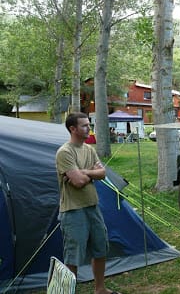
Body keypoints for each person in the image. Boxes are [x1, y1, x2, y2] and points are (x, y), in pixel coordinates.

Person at [56, 112, 121, 294]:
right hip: (73, 211)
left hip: (92, 207)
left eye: (88, 124)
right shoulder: (64, 152)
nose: (88, 128)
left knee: (100, 248)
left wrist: (85, 172)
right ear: (73, 129)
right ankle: (67, 292)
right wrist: (90, 172)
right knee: (73, 256)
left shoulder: (89, 150)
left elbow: (102, 173)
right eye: (84, 125)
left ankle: (100, 289)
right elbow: (77, 183)